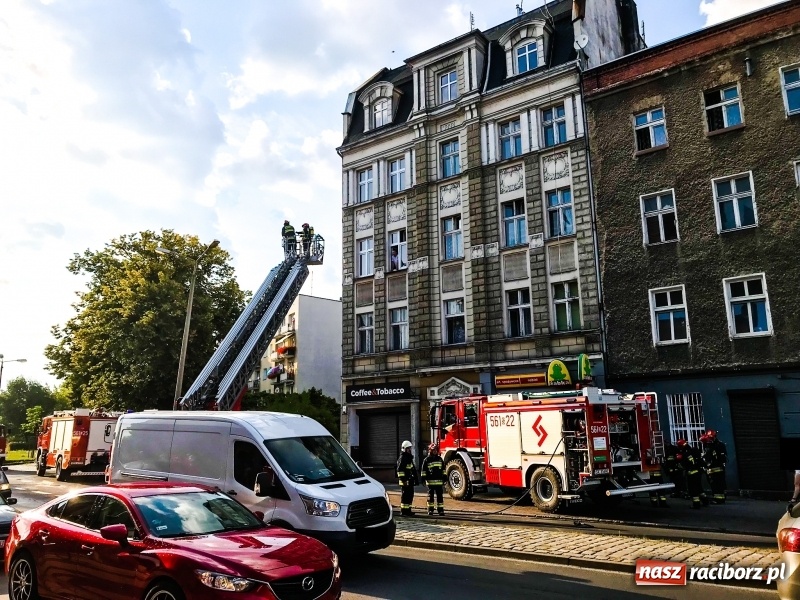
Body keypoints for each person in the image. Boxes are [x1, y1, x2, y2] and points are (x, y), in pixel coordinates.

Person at [677, 439, 708, 509]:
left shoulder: (684, 454)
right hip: (698, 473)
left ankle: (696, 504)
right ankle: (705, 501)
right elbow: (700, 460)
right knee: (699, 488)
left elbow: (682, 466)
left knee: (693, 490)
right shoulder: (693, 450)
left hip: (691, 474)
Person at [700, 429, 727, 504]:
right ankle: (720, 498)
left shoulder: (718, 445)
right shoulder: (708, 445)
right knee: (716, 485)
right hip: (712, 469)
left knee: (717, 485)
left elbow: (720, 458)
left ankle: (718, 499)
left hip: (716, 468)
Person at [421, 443, 445, 516]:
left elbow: (443, 470)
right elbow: (423, 471)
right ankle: (430, 510)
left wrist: (445, 477)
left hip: (439, 482)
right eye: (433, 450)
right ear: (430, 450)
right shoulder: (427, 460)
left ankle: (440, 510)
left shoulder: (440, 459)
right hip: (430, 482)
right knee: (430, 497)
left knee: (440, 497)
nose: (435, 451)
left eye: (436, 450)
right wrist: (423, 479)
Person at [396, 440, 419, 516]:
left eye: (410, 448)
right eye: (408, 448)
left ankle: (408, 510)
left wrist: (416, 479)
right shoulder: (403, 458)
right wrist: (404, 480)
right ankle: (403, 511)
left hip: (410, 481)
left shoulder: (408, 458)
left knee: (410, 496)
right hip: (405, 482)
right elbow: (400, 470)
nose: (409, 450)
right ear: (404, 449)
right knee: (405, 496)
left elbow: (412, 470)